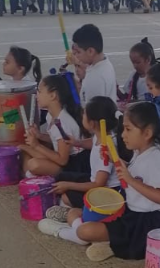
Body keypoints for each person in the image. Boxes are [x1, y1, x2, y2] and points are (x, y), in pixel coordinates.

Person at [55, 101, 160, 262]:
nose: (122, 135)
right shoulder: (140, 151)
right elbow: (135, 172)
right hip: (131, 212)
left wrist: (130, 180)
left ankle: (68, 233)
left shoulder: (155, 158)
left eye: (128, 129)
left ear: (147, 133)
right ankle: (99, 239)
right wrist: (115, 161)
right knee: (76, 213)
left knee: (85, 231)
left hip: (147, 222)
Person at [39, 96, 121, 229]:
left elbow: (99, 184)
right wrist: (78, 143)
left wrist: (68, 185)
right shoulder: (103, 134)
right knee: (61, 178)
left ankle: (74, 218)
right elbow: (92, 142)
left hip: (106, 192)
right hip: (94, 181)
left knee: (66, 196)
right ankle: (71, 211)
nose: (82, 116)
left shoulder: (106, 149)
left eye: (84, 114)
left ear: (92, 123)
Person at [20, 73, 83, 178]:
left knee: (34, 164)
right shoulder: (50, 115)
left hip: (71, 166)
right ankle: (31, 175)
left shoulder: (63, 122)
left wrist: (36, 145)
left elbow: (63, 160)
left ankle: (32, 176)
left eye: (39, 91)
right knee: (23, 149)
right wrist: (39, 136)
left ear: (53, 95)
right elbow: (55, 139)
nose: (36, 94)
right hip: (59, 159)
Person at [72, 23, 117, 105]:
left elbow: (92, 112)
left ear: (90, 51)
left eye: (78, 52)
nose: (76, 55)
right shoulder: (105, 63)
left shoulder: (95, 78)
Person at [119, 38, 155, 103]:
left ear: (148, 60)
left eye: (138, 62)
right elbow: (126, 97)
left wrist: (134, 102)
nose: (135, 66)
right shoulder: (133, 76)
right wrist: (116, 89)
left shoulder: (157, 77)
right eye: (133, 62)